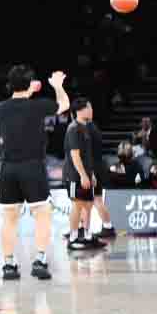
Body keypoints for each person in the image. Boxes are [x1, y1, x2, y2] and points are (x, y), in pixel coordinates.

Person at [0, 66, 67, 282]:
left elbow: (18, 103)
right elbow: (64, 104)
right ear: (30, 83)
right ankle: (40, 261)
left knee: (9, 220)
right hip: (32, 167)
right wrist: (58, 86)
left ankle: (8, 265)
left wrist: (27, 89)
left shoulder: (0, 108)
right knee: (42, 215)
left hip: (8, 169)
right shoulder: (38, 106)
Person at [63, 93, 110, 251]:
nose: (91, 110)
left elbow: (88, 155)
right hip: (74, 175)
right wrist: (83, 175)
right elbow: (75, 155)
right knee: (78, 205)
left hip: (87, 173)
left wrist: (92, 174)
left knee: (89, 205)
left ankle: (88, 236)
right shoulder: (73, 129)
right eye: (89, 107)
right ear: (80, 110)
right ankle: (73, 238)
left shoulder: (86, 128)